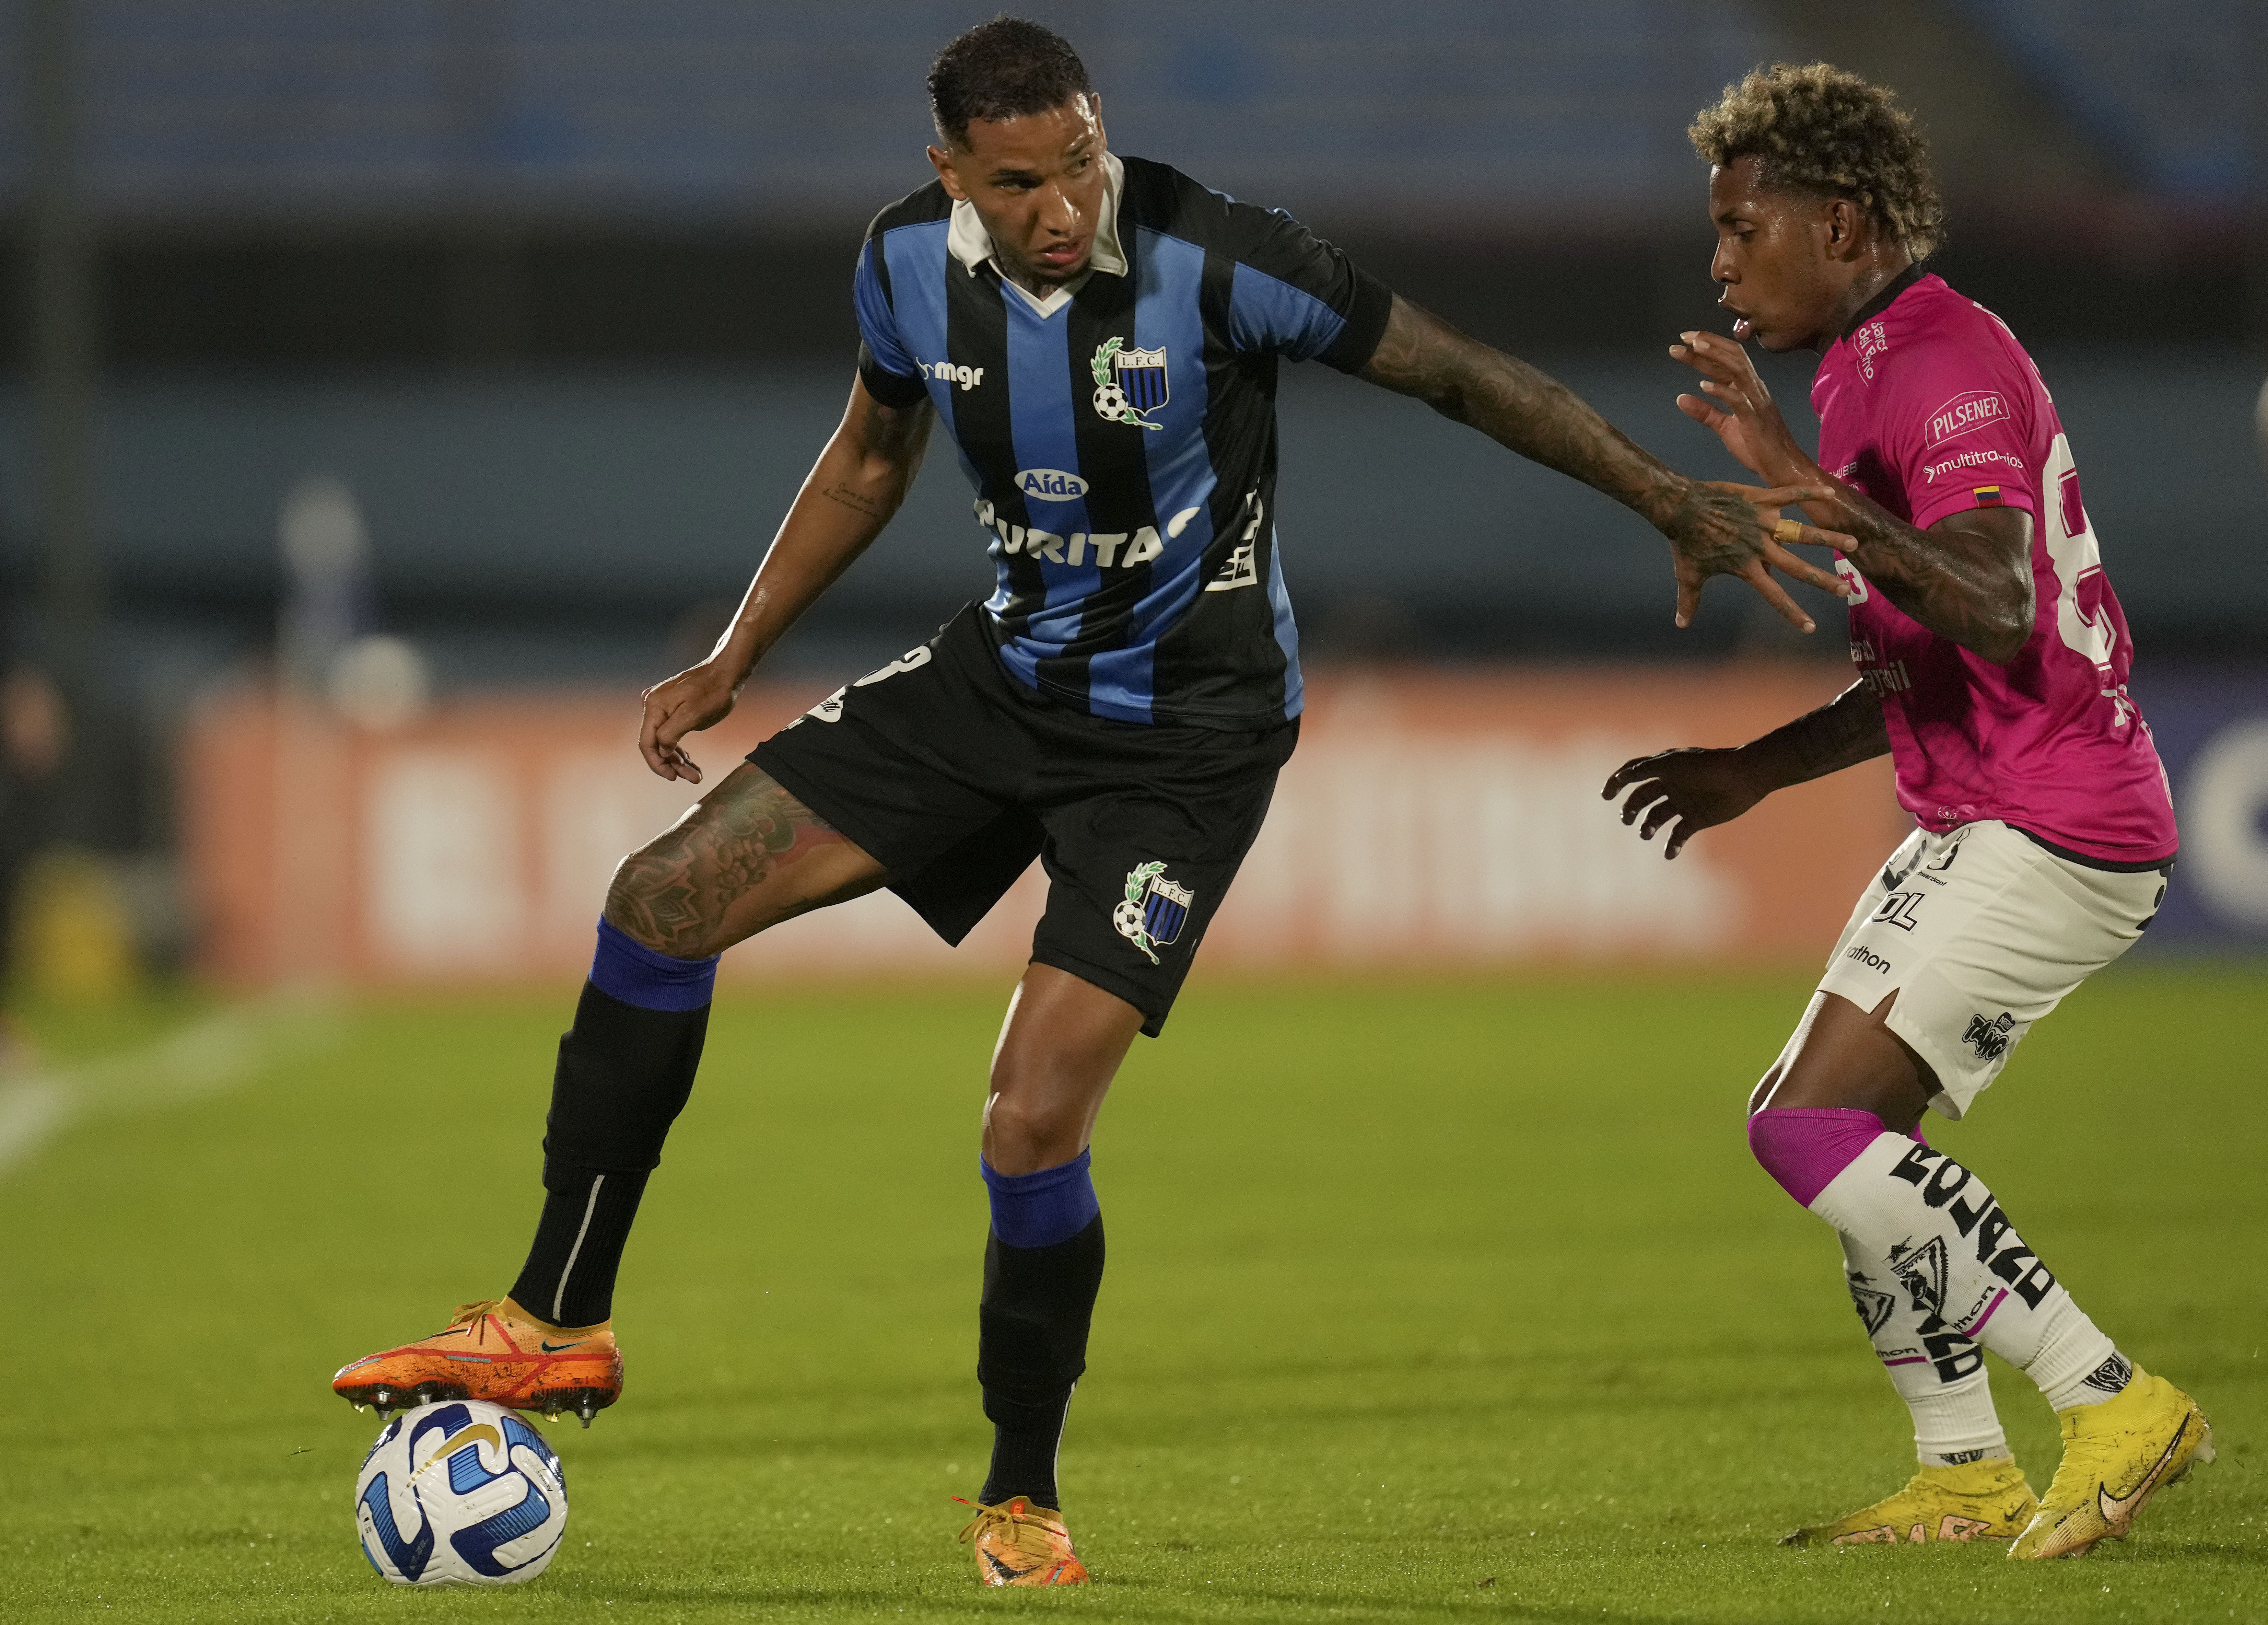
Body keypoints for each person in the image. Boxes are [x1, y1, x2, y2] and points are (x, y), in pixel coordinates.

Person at [331, 18, 1846, 1586]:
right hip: (1003, 684)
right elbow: (869, 455)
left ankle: (1021, 1489)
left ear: (1100, 134)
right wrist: (739, 648)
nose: (1060, 208)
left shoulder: (1221, 258)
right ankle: (558, 1316)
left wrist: (1667, 496)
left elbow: (1459, 376)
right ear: (950, 175)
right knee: (662, 899)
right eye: (1018, 182)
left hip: (1187, 743)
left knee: (1031, 1114)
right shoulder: (905, 264)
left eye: (1078, 166)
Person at [1604, 64, 2209, 1560]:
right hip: (1989, 807)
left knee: (1814, 1126)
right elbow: (1926, 650)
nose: (1721, 259)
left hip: (2058, 817)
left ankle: (2114, 1396)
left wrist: (1800, 483)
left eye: (1746, 228)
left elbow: (2001, 609)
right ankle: (1961, 1469)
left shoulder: (1939, 364)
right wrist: (1760, 767)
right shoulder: (1866, 361)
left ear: (1845, 221)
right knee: (1816, 1122)